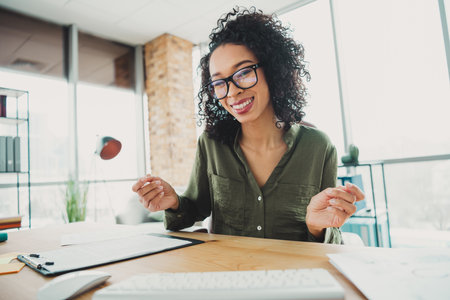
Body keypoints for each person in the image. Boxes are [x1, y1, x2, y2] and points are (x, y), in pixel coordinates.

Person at [132, 7, 364, 244]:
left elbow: (330, 236)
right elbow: (194, 209)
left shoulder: (318, 146)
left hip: (297, 274)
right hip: (229, 273)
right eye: (219, 83)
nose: (232, 92)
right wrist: (173, 203)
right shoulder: (211, 144)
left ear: (272, 70)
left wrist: (316, 227)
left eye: (243, 72)